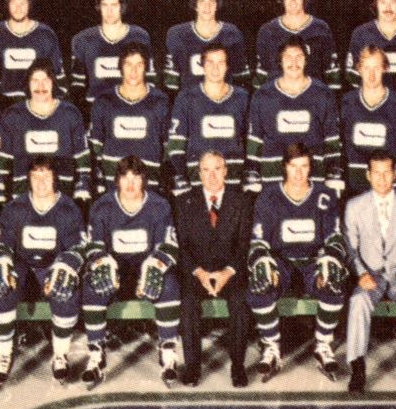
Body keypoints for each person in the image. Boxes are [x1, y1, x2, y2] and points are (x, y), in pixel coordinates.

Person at [246, 143, 348, 381]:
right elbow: (258, 240)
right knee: (259, 281)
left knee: (334, 277)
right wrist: (263, 261)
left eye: (304, 166)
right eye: (294, 166)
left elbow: (335, 237)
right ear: (285, 167)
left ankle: (323, 344)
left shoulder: (324, 195)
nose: (299, 172)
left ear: (311, 167)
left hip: (313, 261)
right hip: (282, 262)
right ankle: (271, 345)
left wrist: (330, 258)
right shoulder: (268, 197)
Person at [79, 156, 181, 387]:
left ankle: (168, 350)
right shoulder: (102, 206)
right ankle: (96, 352)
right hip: (116, 274)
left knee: (169, 284)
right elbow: (93, 245)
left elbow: (168, 245)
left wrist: (156, 264)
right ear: (117, 180)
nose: (131, 183)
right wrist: (102, 261)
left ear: (144, 180)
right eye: (125, 177)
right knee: (92, 285)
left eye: (136, 177)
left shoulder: (159, 206)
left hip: (146, 274)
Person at [0, 156, 85, 385]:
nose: (41, 182)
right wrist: (2, 261)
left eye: (46, 176)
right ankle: (3, 354)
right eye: (35, 177)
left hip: (52, 266)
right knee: (1, 287)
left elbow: (77, 248)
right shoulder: (15, 207)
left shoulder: (68, 209)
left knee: (65, 288)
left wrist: (65, 265)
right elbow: (3, 242)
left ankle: (60, 354)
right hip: (22, 264)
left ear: (55, 179)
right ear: (28, 179)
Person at [343, 150, 396, 393]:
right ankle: (358, 368)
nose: (382, 178)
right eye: (376, 173)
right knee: (358, 301)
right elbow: (351, 249)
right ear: (368, 175)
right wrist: (361, 274)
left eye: (387, 172)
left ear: (395, 174)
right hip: (371, 274)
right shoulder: (354, 206)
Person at [175, 151, 252, 388]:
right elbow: (181, 247)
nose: (212, 176)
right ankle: (193, 368)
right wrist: (200, 273)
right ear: (199, 174)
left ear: (226, 171)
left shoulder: (242, 201)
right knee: (188, 303)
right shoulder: (184, 202)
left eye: (217, 169)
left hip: (230, 272)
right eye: (206, 170)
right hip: (198, 272)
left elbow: (244, 245)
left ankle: (238, 367)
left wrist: (227, 272)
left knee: (240, 302)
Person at [0, 59, 91, 215]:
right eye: (35, 80)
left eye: (45, 80)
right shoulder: (13, 115)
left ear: (53, 82)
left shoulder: (70, 114)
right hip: (23, 197)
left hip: (62, 197)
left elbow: (82, 157)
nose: (40, 86)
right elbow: (0, 160)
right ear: (27, 84)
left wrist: (82, 190)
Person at [246, 36, 341, 193]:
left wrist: (333, 167)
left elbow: (331, 136)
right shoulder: (263, 95)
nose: (294, 63)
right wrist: (253, 169)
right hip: (273, 176)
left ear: (306, 60)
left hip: (313, 176)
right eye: (288, 57)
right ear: (280, 60)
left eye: (299, 57)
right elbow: (255, 138)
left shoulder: (323, 93)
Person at [87, 43, 171, 197]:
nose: (134, 71)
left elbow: (168, 146)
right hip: (113, 182)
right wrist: (98, 179)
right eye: (128, 64)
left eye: (139, 65)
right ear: (120, 66)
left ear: (146, 67)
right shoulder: (104, 101)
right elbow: (95, 146)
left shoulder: (160, 101)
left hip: (149, 183)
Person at [166, 42, 250, 193]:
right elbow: (176, 143)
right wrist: (181, 174)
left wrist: (248, 171)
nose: (215, 69)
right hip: (197, 180)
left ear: (227, 66)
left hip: (234, 178)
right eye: (210, 63)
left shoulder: (242, 97)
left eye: (220, 63)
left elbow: (250, 139)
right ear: (202, 65)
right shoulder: (186, 98)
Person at [339, 46, 396, 199]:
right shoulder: (346, 103)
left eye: (376, 68)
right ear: (358, 69)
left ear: (385, 68)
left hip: (391, 189)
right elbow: (338, 144)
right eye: (367, 68)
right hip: (356, 189)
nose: (371, 75)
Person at [0, 0, 66, 107]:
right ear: (7, 4)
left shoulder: (45, 35)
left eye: (23, 3)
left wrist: (53, 107)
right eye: (14, 3)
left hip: (37, 103)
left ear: (30, 4)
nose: (18, 8)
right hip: (2, 105)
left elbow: (58, 79)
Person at [70, 0, 157, 113]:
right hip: (97, 108)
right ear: (99, 7)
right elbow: (77, 85)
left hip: (132, 108)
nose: (109, 11)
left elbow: (150, 79)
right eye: (105, 5)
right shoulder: (83, 40)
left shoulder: (139, 37)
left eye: (114, 5)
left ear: (122, 7)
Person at [253, 0, 340, 91]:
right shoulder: (267, 31)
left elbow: (332, 72)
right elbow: (261, 76)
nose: (292, 1)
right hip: (277, 98)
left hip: (313, 96)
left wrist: (331, 98)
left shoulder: (321, 28)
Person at [164, 0, 250, 92]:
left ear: (217, 5)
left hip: (223, 99)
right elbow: (171, 83)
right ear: (195, 5)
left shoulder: (232, 34)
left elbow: (241, 78)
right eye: (202, 1)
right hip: (190, 100)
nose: (207, 7)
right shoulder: (178, 34)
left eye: (211, 2)